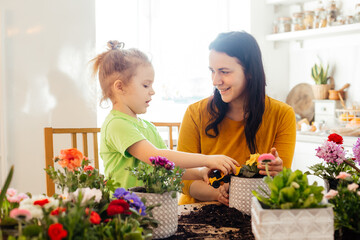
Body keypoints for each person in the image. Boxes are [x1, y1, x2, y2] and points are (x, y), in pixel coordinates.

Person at [92, 40, 240, 190]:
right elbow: (155, 157)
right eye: (145, 85)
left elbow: (166, 166)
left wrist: (199, 172)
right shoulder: (117, 124)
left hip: (152, 209)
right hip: (126, 210)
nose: (152, 91)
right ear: (120, 87)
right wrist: (207, 160)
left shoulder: (148, 127)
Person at [177, 31, 296, 205]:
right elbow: (184, 179)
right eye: (212, 71)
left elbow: (279, 182)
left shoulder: (282, 114)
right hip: (198, 210)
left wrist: (278, 171)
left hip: (252, 211)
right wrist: (218, 194)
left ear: (249, 72)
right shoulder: (195, 113)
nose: (215, 81)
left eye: (224, 72)